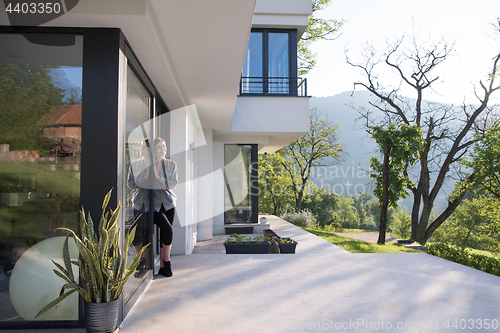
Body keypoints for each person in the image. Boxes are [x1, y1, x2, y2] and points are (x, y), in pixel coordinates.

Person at [127, 137, 178, 277]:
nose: (163, 149)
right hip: (143, 205)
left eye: (163, 146)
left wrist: (157, 177)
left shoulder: (170, 164)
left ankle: (164, 265)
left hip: (166, 204)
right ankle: (143, 263)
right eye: (159, 147)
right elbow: (131, 184)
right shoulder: (136, 164)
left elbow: (172, 184)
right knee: (139, 234)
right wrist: (144, 178)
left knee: (166, 233)